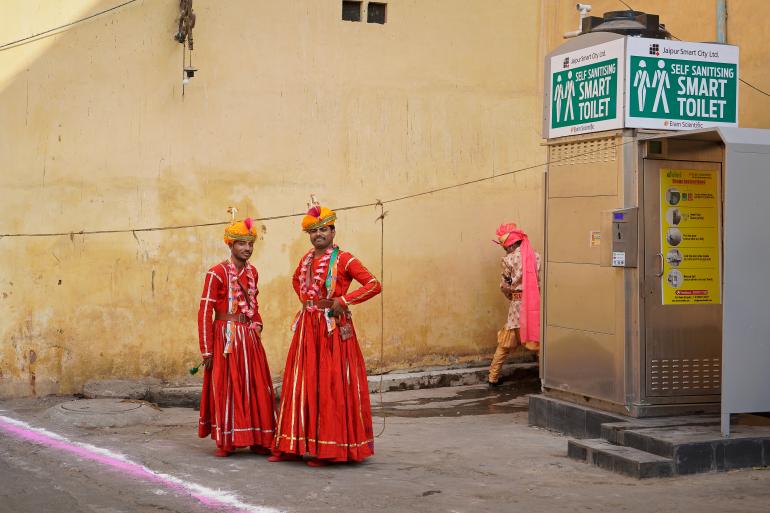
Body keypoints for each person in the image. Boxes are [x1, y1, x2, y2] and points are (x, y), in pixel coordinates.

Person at [270, 200, 382, 466]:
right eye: (313, 231)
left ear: (333, 232)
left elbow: (373, 284)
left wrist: (344, 301)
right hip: (308, 327)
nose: (318, 235)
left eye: (324, 230)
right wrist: (306, 300)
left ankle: (329, 450)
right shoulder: (306, 259)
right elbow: (296, 279)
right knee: (302, 383)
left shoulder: (345, 259)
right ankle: (293, 444)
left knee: (329, 385)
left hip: (332, 330)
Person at [197, 216, 276, 457]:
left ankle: (259, 438)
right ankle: (227, 441)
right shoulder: (216, 273)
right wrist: (207, 349)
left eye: (250, 244)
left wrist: (258, 323)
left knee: (256, 387)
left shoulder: (253, 273)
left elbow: (254, 305)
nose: (247, 249)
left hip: (249, 338)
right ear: (230, 244)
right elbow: (204, 312)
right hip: (226, 339)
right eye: (241, 243)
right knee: (228, 387)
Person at [488, 223, 541, 387]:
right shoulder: (536, 257)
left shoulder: (508, 260)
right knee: (539, 344)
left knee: (505, 344)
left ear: (511, 244)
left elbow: (504, 285)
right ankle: (545, 379)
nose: (505, 250)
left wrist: (510, 294)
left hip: (517, 306)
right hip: (533, 305)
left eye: (505, 247)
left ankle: (493, 377)